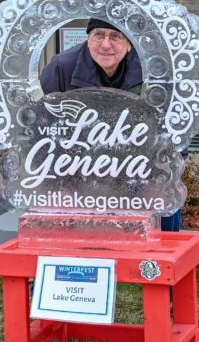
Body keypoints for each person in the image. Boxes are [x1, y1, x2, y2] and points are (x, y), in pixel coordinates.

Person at [40, 19, 184, 230]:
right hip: (77, 172)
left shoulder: (154, 72)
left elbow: (175, 129)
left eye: (116, 36)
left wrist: (161, 179)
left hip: (139, 170)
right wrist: (56, 183)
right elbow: (39, 127)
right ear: (88, 38)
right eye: (99, 34)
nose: (106, 45)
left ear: (130, 43)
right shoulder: (62, 68)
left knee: (165, 208)